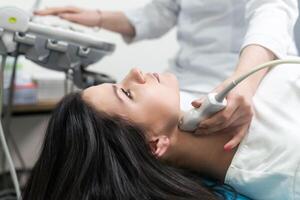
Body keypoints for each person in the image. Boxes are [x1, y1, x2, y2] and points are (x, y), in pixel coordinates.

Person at [35, 0, 299, 152]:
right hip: (185, 82)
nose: (135, 72)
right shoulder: (166, 101)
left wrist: (243, 81)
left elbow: (272, 11)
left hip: (248, 76)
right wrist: (96, 17)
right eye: (122, 89)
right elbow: (159, 14)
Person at [23, 63, 300, 199]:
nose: (135, 72)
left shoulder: (203, 104)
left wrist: (246, 82)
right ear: (156, 145)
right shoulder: (285, 165)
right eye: (127, 93)